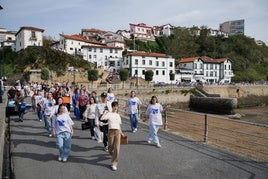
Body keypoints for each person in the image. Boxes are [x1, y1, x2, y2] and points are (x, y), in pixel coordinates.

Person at [100, 101, 124, 171]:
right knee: (110, 148)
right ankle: (113, 154)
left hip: (117, 132)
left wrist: (121, 133)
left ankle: (114, 163)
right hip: (111, 131)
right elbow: (102, 119)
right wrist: (105, 113)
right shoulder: (109, 114)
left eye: (117, 106)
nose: (116, 107)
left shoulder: (118, 115)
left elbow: (119, 125)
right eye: (115, 106)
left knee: (117, 148)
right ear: (112, 107)